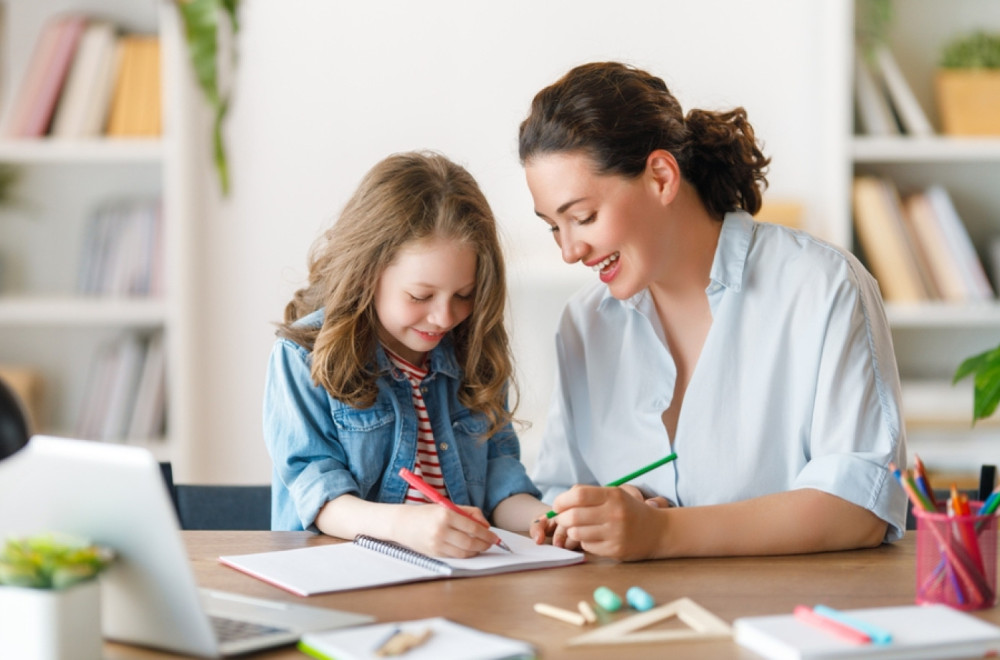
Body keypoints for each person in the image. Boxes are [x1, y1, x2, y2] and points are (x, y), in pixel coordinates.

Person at [519, 62, 908, 560]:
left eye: (583, 216)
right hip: (627, 605)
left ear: (661, 177)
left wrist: (662, 533)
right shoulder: (584, 323)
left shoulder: (822, 286)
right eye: (554, 227)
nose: (570, 250)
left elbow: (860, 507)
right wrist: (604, 512)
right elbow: (559, 496)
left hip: (792, 605)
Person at [264, 151, 554, 558]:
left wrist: (550, 519)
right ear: (366, 274)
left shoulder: (473, 350)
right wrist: (406, 525)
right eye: (420, 296)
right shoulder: (303, 356)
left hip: (459, 578)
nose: (444, 318)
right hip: (342, 575)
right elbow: (320, 498)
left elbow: (499, 484)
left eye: (464, 295)